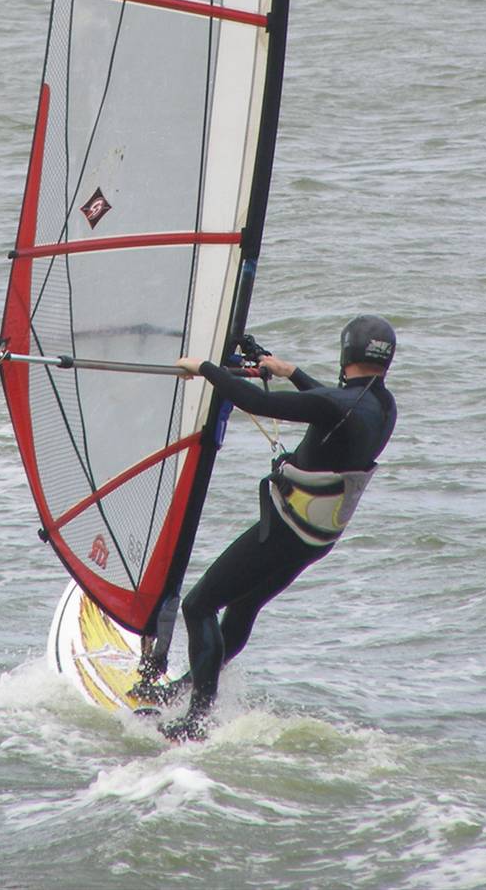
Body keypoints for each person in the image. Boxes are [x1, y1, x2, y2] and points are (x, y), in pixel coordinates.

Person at [147, 314, 398, 741]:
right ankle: (188, 688)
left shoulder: (337, 405)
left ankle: (196, 721)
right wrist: (290, 371)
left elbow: (261, 403)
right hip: (315, 538)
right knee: (244, 605)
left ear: (346, 352)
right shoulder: (383, 406)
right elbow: (334, 401)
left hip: (284, 532)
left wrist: (204, 368)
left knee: (199, 606)